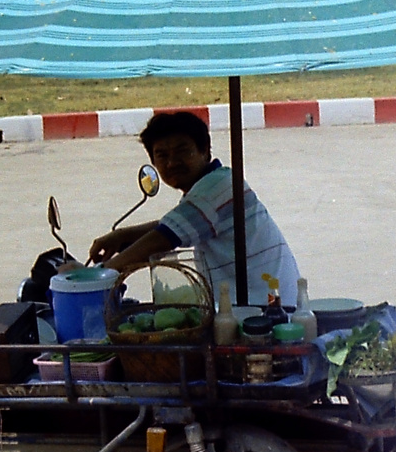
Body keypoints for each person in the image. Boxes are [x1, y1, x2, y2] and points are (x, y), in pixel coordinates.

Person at [89, 111, 300, 306]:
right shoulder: (216, 183)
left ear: (204, 151)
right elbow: (175, 224)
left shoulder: (216, 187)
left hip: (266, 312)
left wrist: (99, 275)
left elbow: (164, 237)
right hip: (260, 302)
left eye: (182, 152)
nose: (172, 163)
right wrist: (122, 235)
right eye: (162, 155)